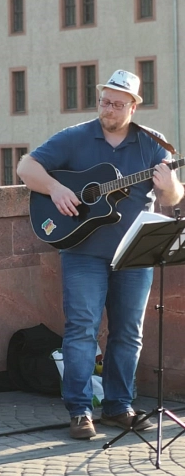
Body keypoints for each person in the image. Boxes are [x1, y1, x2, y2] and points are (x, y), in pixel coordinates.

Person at [17, 70, 184, 440]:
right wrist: (57, 189)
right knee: (82, 331)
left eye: (118, 103)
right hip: (82, 252)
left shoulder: (153, 146)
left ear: (134, 106)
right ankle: (79, 411)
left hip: (134, 255)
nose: (109, 108)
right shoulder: (76, 137)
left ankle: (118, 406)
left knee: (128, 332)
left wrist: (170, 186)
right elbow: (26, 167)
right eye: (104, 101)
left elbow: (173, 199)